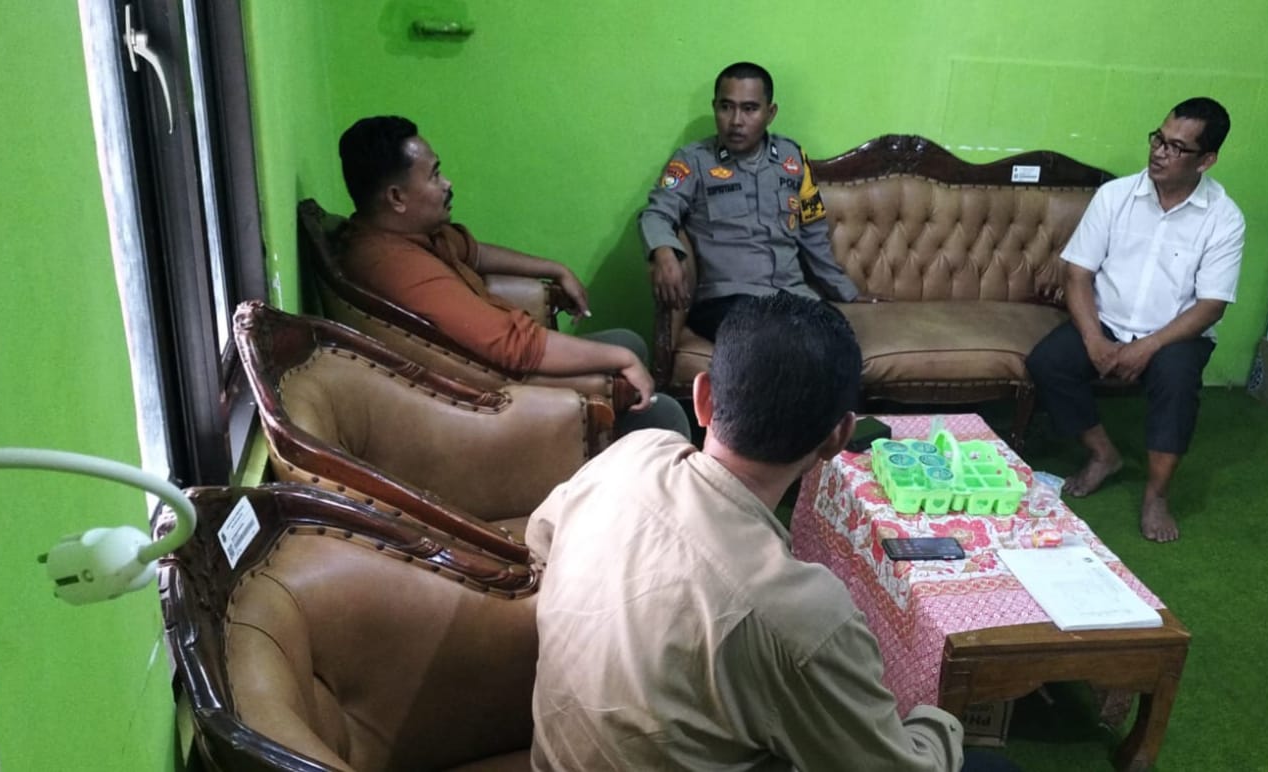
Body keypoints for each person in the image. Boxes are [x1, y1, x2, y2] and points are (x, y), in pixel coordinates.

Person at [528, 293, 988, 771]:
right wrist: (936, 718)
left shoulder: (633, 454)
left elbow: (540, 539)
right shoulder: (802, 617)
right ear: (838, 437)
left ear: (703, 399)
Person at [337, 115, 689, 438]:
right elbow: (516, 346)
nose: (447, 183)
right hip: (495, 395)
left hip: (503, 365)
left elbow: (474, 252)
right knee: (663, 411)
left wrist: (555, 269)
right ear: (396, 197)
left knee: (628, 340)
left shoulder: (411, 235)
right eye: (434, 175)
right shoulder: (397, 265)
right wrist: (621, 360)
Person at [1026, 97, 1245, 543]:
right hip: (1107, 320)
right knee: (1048, 362)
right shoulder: (1116, 196)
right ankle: (1103, 454)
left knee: (1177, 382)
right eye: (1158, 139)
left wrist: (1147, 347)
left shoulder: (1224, 218)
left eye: (1176, 147)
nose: (1159, 152)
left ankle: (1156, 495)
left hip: (1176, 333)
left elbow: (1211, 306)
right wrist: (1094, 340)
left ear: (1206, 160)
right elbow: (1078, 274)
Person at [639, 62, 880, 342]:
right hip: (727, 300)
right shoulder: (694, 161)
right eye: (726, 107)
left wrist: (847, 293)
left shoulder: (792, 159)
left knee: (840, 338)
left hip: (791, 296)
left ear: (770, 113)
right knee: (782, 339)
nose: (736, 121)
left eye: (750, 109)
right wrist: (663, 252)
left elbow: (813, 233)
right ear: (714, 107)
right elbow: (656, 213)